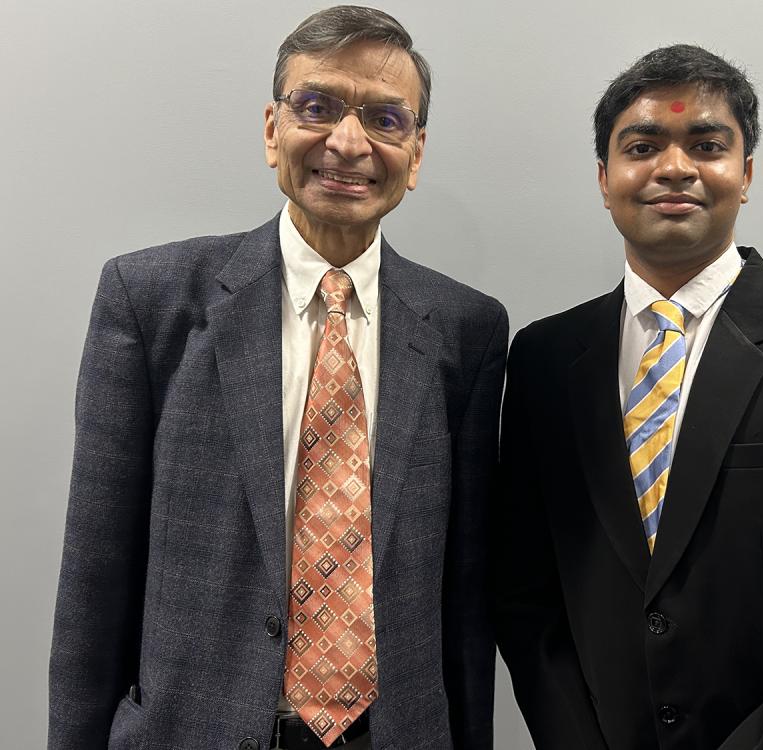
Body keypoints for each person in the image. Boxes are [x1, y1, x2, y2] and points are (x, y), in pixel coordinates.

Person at [49, 6, 506, 750]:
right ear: (272, 130)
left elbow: (465, 599)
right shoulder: (152, 300)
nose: (347, 142)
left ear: (415, 154)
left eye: (385, 119)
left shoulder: (466, 330)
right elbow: (94, 577)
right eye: (317, 107)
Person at [494, 44, 763, 750]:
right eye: (642, 146)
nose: (674, 167)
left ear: (745, 174)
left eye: (706, 144)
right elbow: (525, 600)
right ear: (605, 179)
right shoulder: (546, 361)